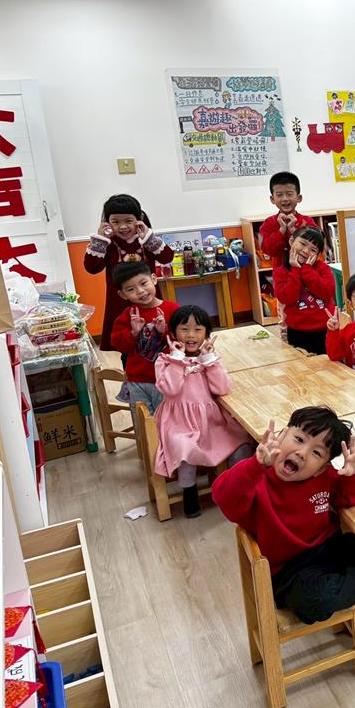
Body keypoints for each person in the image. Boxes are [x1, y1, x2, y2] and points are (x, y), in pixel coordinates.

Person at [212, 406, 355, 625]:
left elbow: (347, 498)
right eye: (299, 439)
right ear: (282, 435)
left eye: (317, 453)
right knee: (316, 601)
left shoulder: (322, 476)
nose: (302, 453)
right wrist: (255, 465)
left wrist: (354, 475)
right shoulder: (255, 478)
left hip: (330, 548)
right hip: (289, 572)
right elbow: (223, 496)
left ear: (322, 468)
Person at [154, 305, 253, 518]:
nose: (191, 335)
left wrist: (210, 362)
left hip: (211, 420)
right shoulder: (165, 360)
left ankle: (234, 487)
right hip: (179, 422)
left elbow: (222, 388)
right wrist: (178, 359)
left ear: (207, 334)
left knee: (241, 442)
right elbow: (171, 389)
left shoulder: (209, 359)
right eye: (184, 329)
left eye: (198, 329)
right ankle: (189, 493)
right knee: (185, 450)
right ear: (173, 333)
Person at [83, 194, 173, 352]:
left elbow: (167, 258)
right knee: (126, 344)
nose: (123, 226)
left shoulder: (146, 240)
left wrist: (150, 238)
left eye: (128, 221)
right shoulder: (108, 244)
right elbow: (92, 268)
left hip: (149, 299)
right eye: (116, 222)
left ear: (138, 219)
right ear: (107, 222)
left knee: (156, 341)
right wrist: (100, 241)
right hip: (119, 302)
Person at [109, 262, 180, 418]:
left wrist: (164, 331)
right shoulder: (128, 315)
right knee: (142, 422)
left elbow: (183, 342)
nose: (140, 291)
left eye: (143, 283)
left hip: (167, 379)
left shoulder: (173, 309)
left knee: (168, 420)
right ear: (122, 294)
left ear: (154, 279)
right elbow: (118, 344)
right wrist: (133, 333)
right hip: (137, 380)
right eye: (131, 289)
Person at [273, 227, 335, 355]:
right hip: (297, 330)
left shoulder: (322, 268)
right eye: (302, 243)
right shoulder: (281, 271)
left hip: (325, 328)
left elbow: (327, 292)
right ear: (291, 240)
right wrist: (296, 270)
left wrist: (307, 270)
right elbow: (287, 298)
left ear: (318, 255)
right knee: (300, 365)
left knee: (328, 364)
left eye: (313, 250)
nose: (306, 251)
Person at [258, 172, 316, 264]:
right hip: (280, 272)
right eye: (279, 195)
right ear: (272, 199)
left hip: (305, 270)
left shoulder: (307, 221)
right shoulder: (269, 222)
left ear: (299, 198)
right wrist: (281, 230)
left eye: (289, 194)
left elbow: (315, 248)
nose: (285, 199)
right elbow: (269, 251)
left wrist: (294, 231)